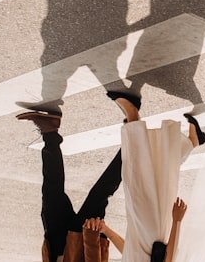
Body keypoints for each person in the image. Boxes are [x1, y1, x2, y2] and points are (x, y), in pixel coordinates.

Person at [107, 91, 205, 262]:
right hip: (152, 230)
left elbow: (127, 253)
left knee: (151, 174)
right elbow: (168, 259)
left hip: (137, 231)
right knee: (137, 174)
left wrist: (105, 231)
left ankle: (191, 142)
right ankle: (132, 115)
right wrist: (177, 221)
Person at [17, 111, 126, 262]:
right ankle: (132, 141)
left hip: (56, 247)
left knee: (51, 191)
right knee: (100, 193)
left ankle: (49, 130)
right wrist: (95, 235)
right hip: (85, 243)